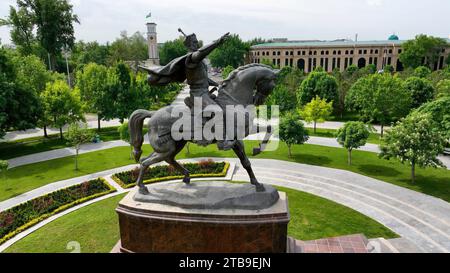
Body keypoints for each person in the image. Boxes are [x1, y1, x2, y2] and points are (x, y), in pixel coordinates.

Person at [143, 29, 235, 150]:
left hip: (204, 92)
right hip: (198, 95)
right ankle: (222, 142)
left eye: (197, 42)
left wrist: (218, 84)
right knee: (217, 111)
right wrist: (217, 42)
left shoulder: (199, 61)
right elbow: (203, 52)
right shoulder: (191, 59)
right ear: (189, 44)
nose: (197, 44)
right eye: (194, 42)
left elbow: (202, 78)